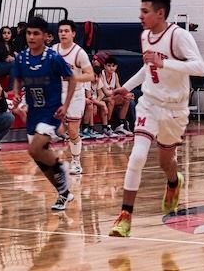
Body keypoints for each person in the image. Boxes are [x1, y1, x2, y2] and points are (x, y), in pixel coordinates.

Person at [109, 0, 204, 237]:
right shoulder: (145, 36)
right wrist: (126, 87)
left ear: (160, 13)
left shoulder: (178, 36)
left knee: (166, 162)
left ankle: (174, 181)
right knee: (137, 156)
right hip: (149, 103)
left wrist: (165, 63)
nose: (140, 16)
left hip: (174, 108)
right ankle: (125, 215)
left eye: (145, 11)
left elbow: (199, 67)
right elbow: (147, 67)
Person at [11, 16, 76, 211]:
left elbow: (72, 79)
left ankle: (61, 166)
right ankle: (64, 193)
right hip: (33, 112)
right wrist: (15, 94)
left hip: (51, 112)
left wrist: (65, 106)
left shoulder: (53, 58)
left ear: (45, 36)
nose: (31, 37)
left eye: (36, 33)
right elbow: (17, 79)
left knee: (34, 149)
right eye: (29, 33)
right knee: (39, 158)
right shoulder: (21, 58)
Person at [52, 19, 95, 175]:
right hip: (57, 93)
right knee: (52, 127)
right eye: (60, 31)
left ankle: (76, 162)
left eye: (66, 31)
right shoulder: (53, 50)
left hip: (75, 94)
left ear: (73, 33)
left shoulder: (79, 53)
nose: (63, 33)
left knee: (73, 131)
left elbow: (91, 75)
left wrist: (74, 78)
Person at [101, 55, 134, 136]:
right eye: (109, 65)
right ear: (104, 66)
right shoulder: (101, 74)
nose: (111, 68)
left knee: (127, 99)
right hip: (101, 98)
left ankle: (120, 126)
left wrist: (126, 94)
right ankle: (107, 127)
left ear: (116, 67)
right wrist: (118, 93)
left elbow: (119, 88)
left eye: (113, 66)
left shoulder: (115, 75)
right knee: (111, 100)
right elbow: (106, 93)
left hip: (111, 97)